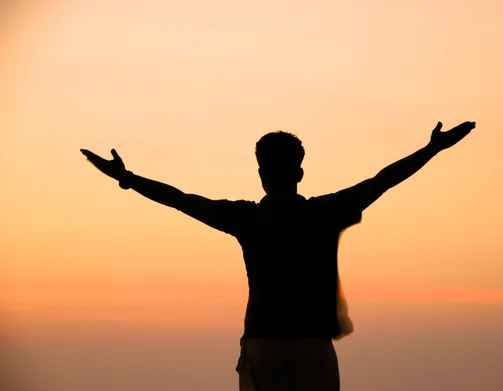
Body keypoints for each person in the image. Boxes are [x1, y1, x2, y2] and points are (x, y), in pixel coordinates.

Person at [81, 120, 476, 391]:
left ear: (260, 174)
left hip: (263, 346)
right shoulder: (324, 212)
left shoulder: (246, 218)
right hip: (312, 349)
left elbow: (181, 201)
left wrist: (128, 179)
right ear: (300, 173)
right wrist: (432, 149)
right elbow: (384, 180)